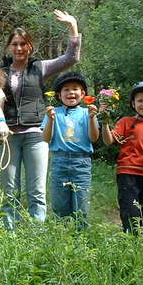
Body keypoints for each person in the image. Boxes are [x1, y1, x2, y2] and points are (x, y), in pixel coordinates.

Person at [0, 9, 80, 230]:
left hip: (36, 135)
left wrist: (73, 27)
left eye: (23, 43)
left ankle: (37, 234)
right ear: (9, 47)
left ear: (30, 46)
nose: (19, 48)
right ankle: (9, 234)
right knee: (9, 190)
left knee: (37, 190)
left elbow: (71, 58)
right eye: (15, 44)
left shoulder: (40, 68)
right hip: (8, 136)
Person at [101, 82, 143, 234]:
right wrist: (104, 122)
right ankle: (131, 240)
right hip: (127, 173)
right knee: (130, 209)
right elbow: (109, 141)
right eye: (140, 100)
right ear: (133, 103)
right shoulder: (125, 122)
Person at [41, 72, 99, 229]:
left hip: (81, 162)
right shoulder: (53, 112)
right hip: (59, 161)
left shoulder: (87, 112)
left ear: (83, 94)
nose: (71, 92)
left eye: (75, 89)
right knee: (60, 205)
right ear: (59, 95)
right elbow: (46, 138)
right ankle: (62, 238)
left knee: (81, 205)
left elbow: (94, 138)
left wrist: (93, 117)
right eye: (66, 89)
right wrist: (51, 119)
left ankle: (82, 239)